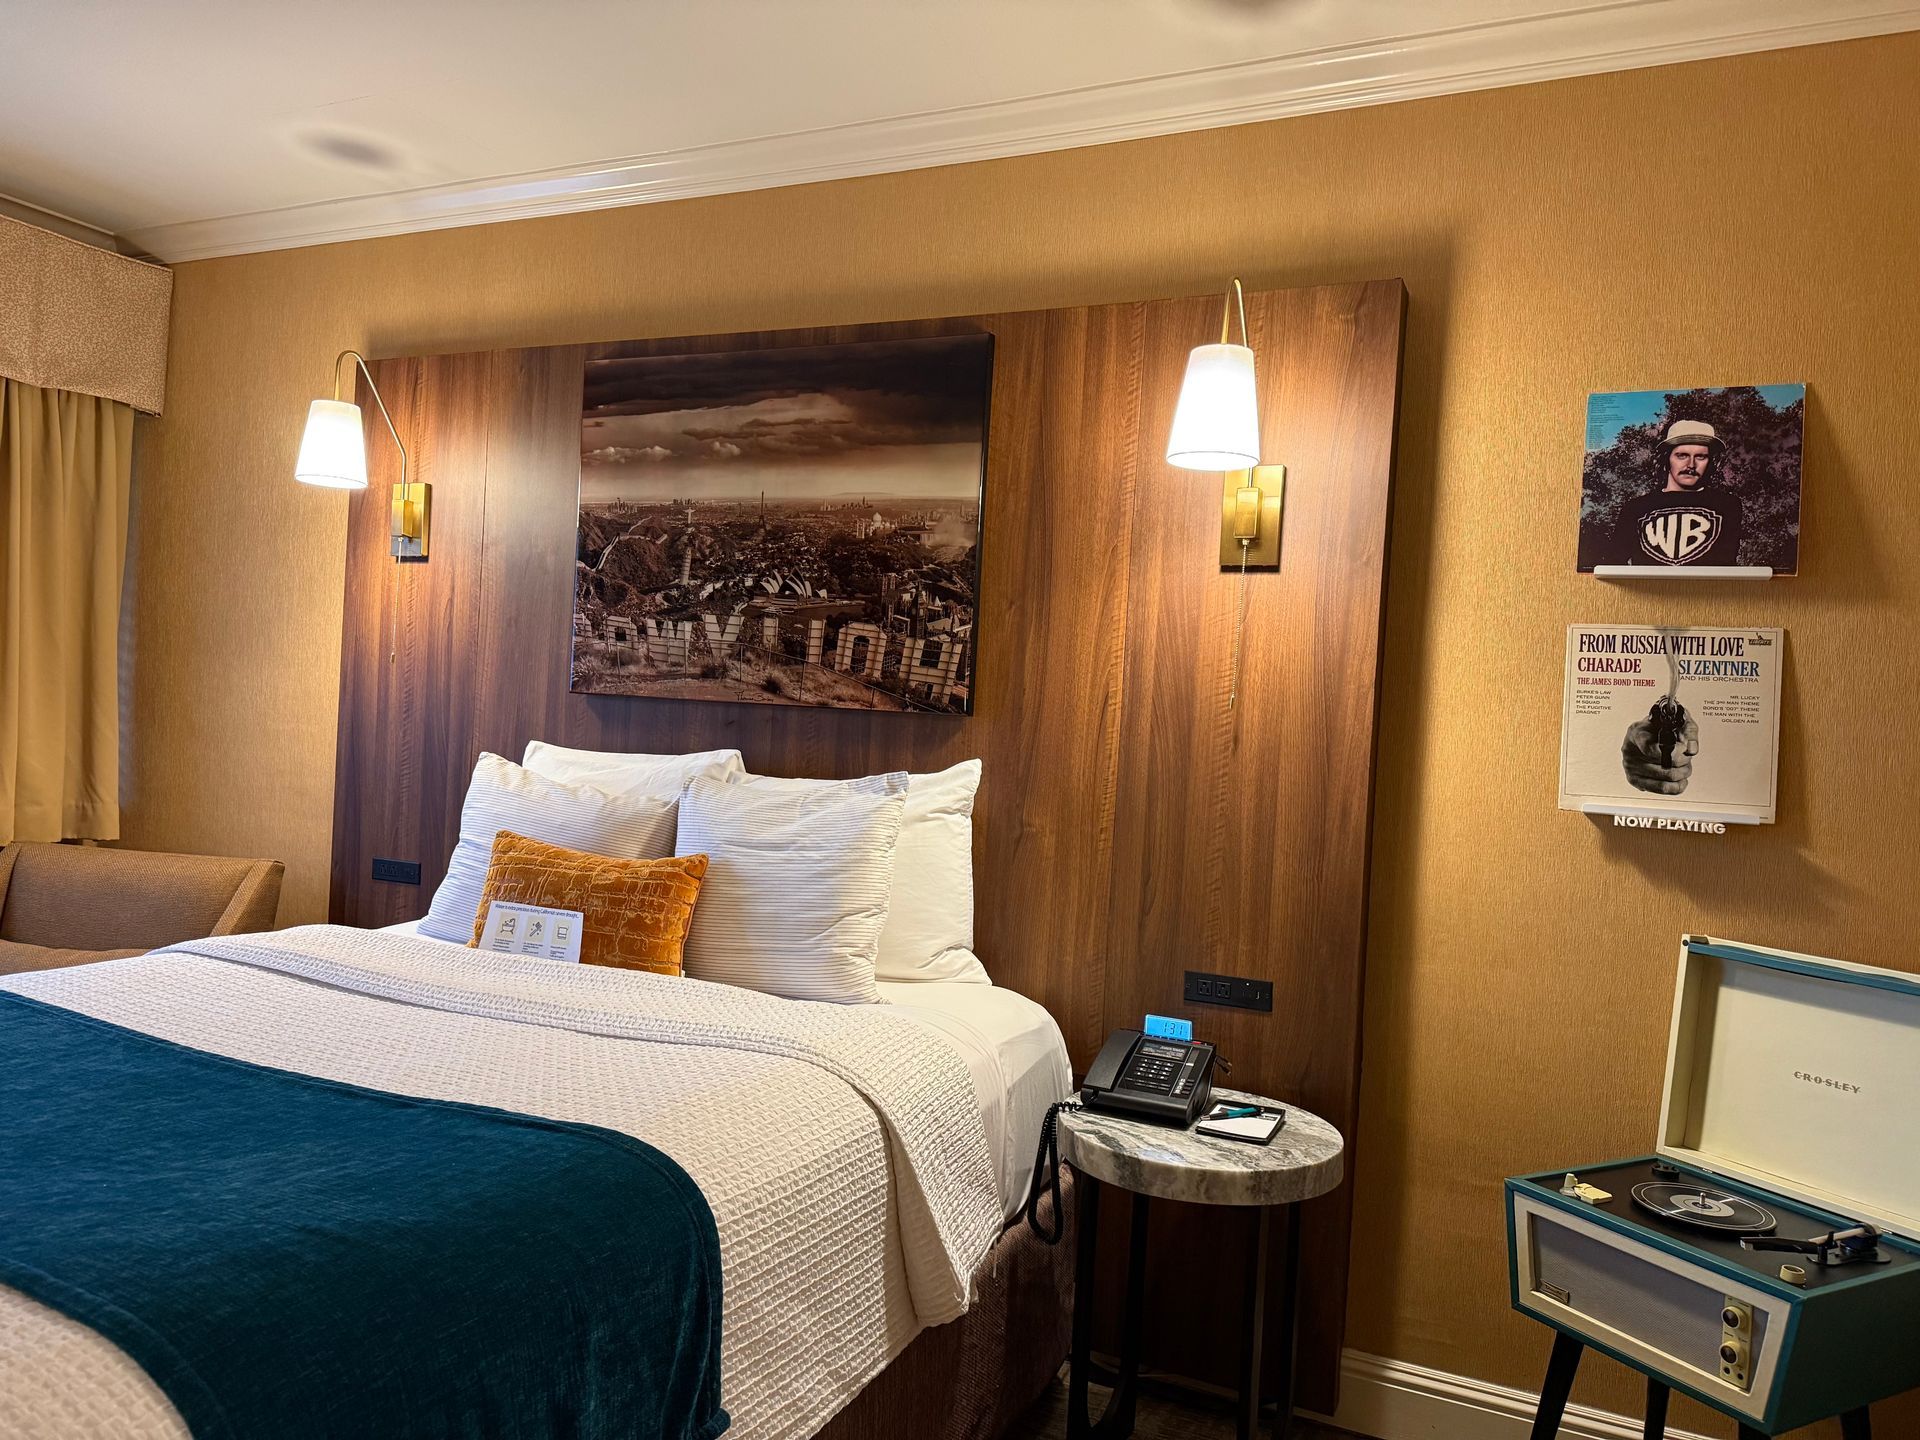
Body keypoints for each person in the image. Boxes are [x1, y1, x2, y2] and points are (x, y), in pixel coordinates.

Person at [1608, 419, 1746, 566]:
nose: (1691, 465)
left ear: (1710, 461)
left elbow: (1725, 567)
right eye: (1682, 455)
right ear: (1667, 458)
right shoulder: (1636, 508)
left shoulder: (1727, 505)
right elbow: (1613, 564)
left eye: (1700, 457)